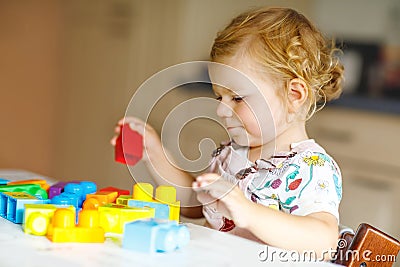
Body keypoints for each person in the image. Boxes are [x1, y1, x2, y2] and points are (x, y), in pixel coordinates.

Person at [111, 7, 344, 260]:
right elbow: (196, 203)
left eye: (237, 98)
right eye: (219, 96)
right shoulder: (232, 153)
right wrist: (155, 153)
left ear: (294, 95)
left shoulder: (311, 167)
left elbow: (325, 241)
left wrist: (248, 212)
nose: (221, 109)